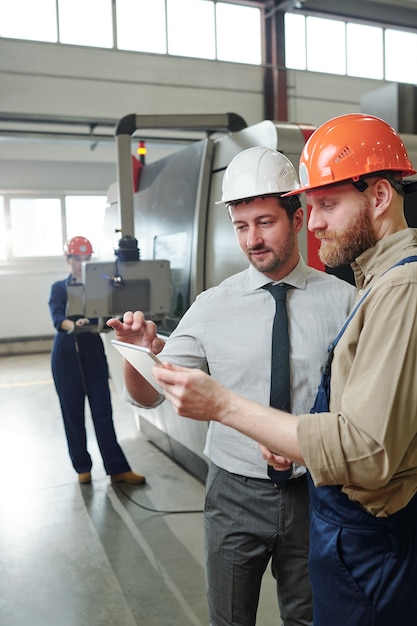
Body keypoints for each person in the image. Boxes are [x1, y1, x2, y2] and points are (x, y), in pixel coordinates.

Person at [149, 114, 417, 626]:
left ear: (379, 197)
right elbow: (150, 390)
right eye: (240, 225)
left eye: (326, 205)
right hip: (257, 492)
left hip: (345, 509)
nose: (315, 223)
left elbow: (367, 447)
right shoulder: (371, 284)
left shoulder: (376, 292)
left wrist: (227, 406)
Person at [107, 147, 355, 626]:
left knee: (310, 617)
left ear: (298, 219)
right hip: (234, 495)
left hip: (317, 494)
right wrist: (138, 356)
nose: (252, 240)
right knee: (230, 617)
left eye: (265, 222)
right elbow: (150, 395)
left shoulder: (345, 302)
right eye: (241, 227)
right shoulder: (211, 306)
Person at [48, 235, 145, 486]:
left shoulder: (100, 285)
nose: (81, 263)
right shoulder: (59, 288)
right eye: (77, 259)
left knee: (103, 412)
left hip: (93, 353)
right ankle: (82, 467)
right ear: (68, 259)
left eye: (86, 259)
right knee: (73, 413)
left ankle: (117, 468)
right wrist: (74, 324)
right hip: (67, 356)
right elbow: (58, 319)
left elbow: (110, 310)